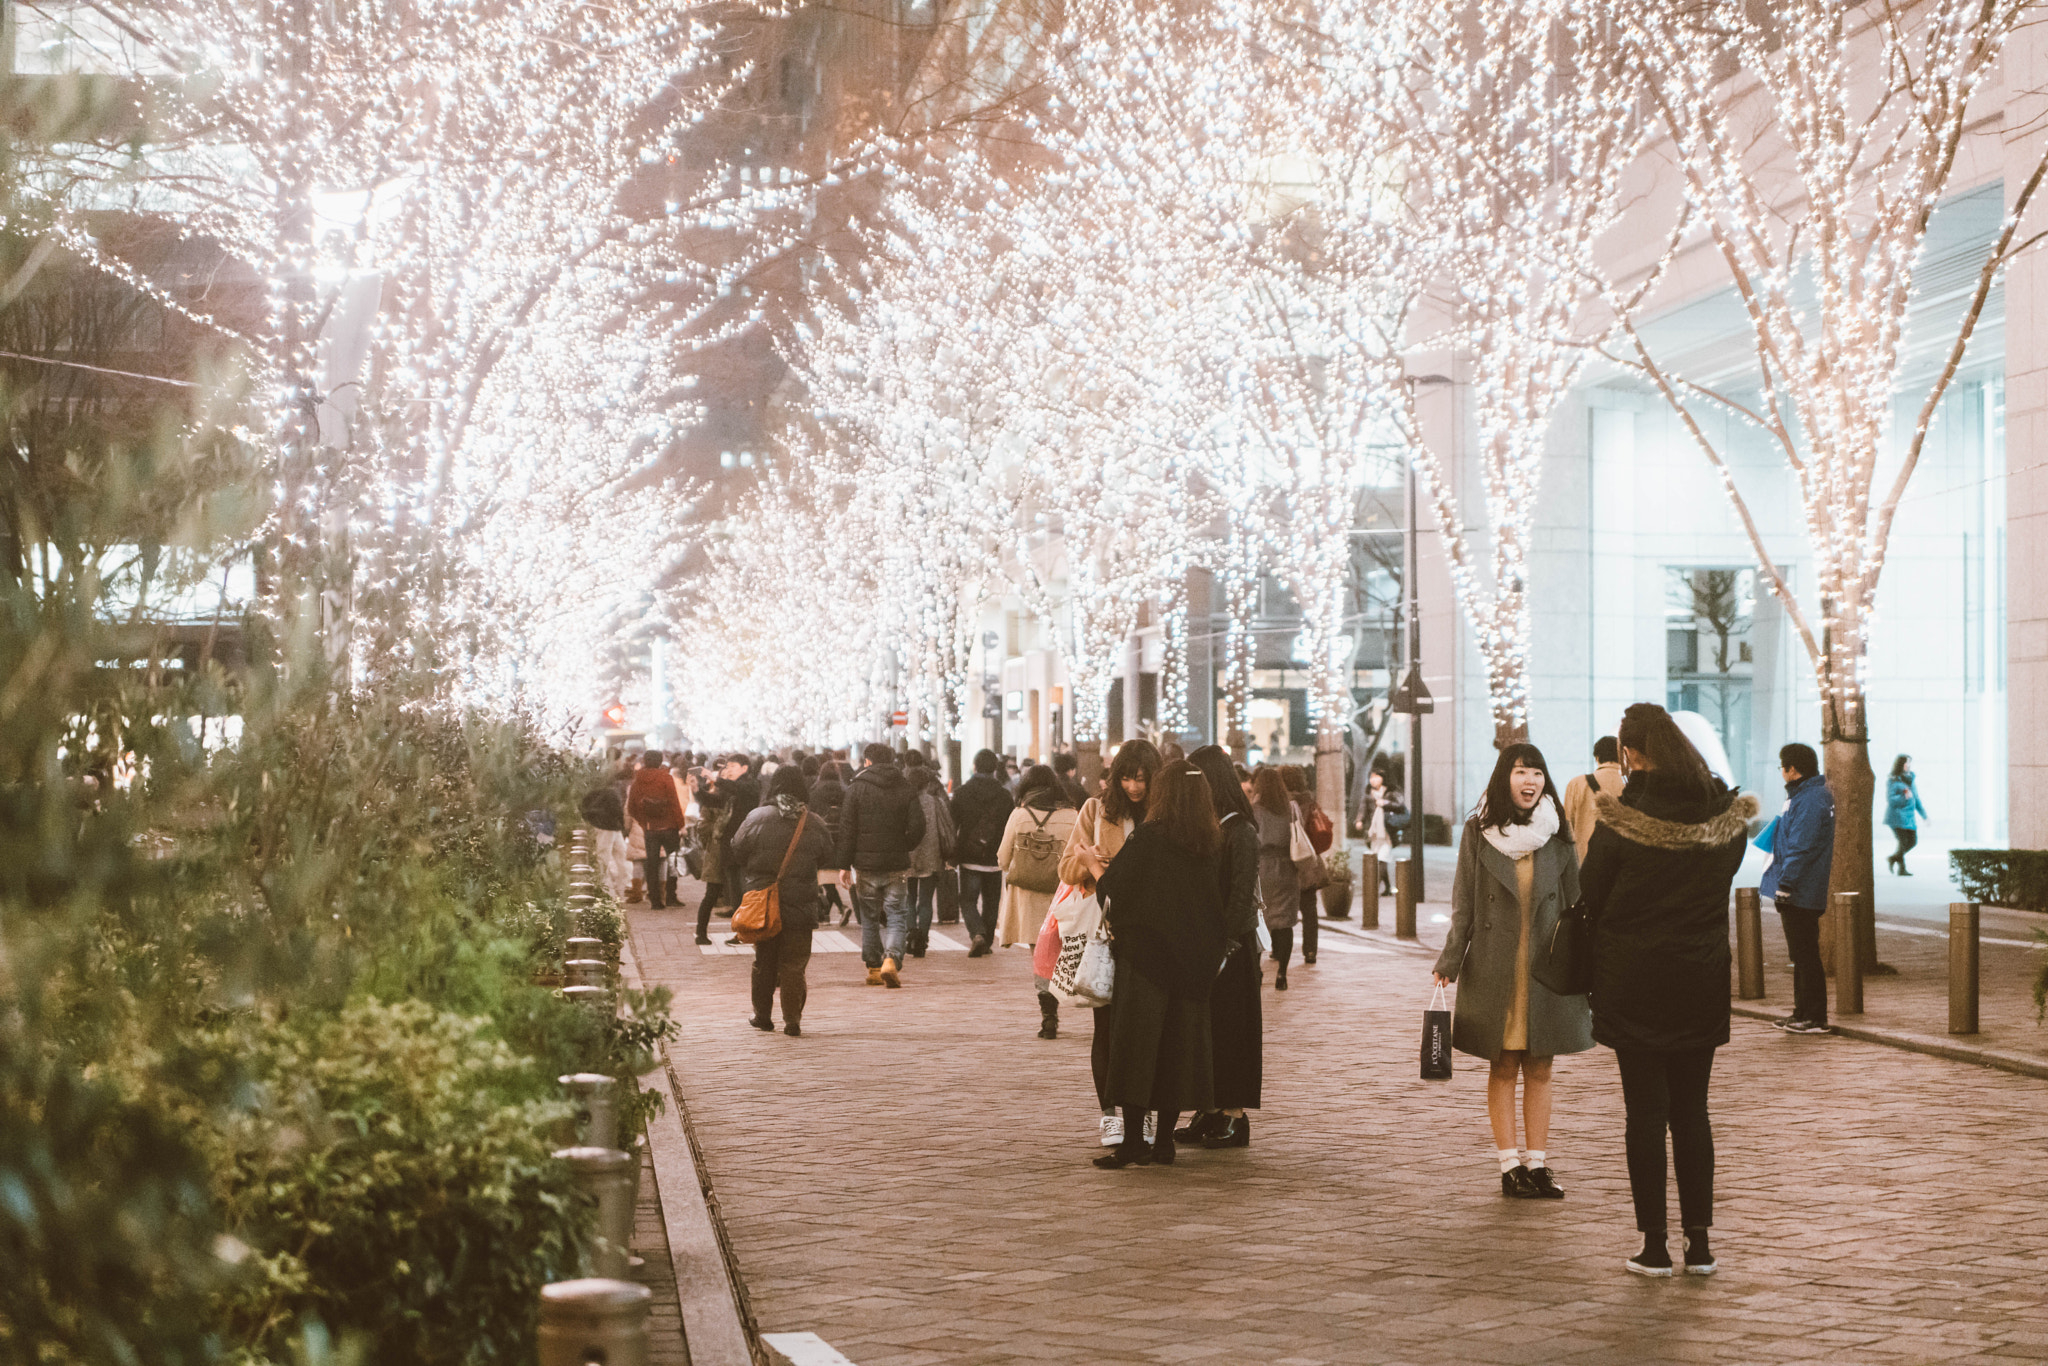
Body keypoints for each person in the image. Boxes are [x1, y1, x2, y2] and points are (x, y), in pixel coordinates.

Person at [1580, 702, 1756, 1278]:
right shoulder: (1722, 818)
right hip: (1698, 977)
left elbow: (1593, 893)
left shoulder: (1622, 819)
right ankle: (1699, 1244)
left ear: (1630, 754)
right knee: (1693, 1112)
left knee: (1645, 1114)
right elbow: (1725, 876)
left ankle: (1654, 1245)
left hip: (1633, 979)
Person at [1433, 744, 1594, 1200]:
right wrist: (1449, 960)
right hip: (1495, 966)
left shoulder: (1558, 835)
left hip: (1546, 969)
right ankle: (1509, 1166)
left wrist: (1589, 966)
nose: (1531, 781)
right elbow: (1463, 903)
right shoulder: (1478, 832)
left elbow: (1576, 906)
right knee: (1503, 1065)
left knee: (1541, 1066)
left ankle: (1538, 1164)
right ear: (1505, 777)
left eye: (1538, 773)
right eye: (1522, 771)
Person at [1082, 762, 1228, 1169]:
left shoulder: (1149, 837)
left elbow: (1116, 890)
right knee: (1177, 1050)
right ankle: (1164, 1142)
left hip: (1146, 959)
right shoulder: (1209, 841)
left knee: (1135, 1048)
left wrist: (1093, 865)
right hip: (1193, 961)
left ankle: (1133, 1143)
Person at [1058, 739, 1162, 1145]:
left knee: (1149, 1029)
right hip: (1107, 931)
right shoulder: (1096, 810)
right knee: (1107, 1028)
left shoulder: (1164, 815)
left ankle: (1146, 1113)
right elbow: (1067, 867)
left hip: (1152, 932)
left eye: (1141, 779)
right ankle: (1110, 1116)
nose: (1134, 787)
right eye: (1127, 778)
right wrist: (1090, 862)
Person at [1175, 744, 1263, 1150]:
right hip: (1205, 945)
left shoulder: (1241, 830)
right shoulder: (1208, 826)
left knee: (1232, 1034)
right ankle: (1208, 1111)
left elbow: (1241, 895)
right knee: (1205, 1034)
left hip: (1232, 949)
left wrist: (1225, 945)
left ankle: (1234, 1117)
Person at [731, 766, 836, 1037]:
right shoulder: (813, 822)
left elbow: (738, 850)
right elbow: (826, 855)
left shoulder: (757, 817)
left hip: (764, 903)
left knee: (764, 961)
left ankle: (762, 1016)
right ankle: (793, 1020)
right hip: (800, 903)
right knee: (794, 963)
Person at [997, 765, 1079, 1037]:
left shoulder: (1019, 815)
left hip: (1029, 900)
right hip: (1065, 897)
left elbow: (1002, 859)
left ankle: (1048, 1015)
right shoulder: (1071, 816)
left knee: (1042, 955)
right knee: (1066, 950)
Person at [1761, 743, 1836, 1036]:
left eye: (1783, 767)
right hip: (1800, 888)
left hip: (1801, 890)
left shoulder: (1810, 799)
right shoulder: (1806, 795)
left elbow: (1800, 847)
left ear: (1793, 770)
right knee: (1800, 954)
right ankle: (1801, 1013)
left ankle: (1814, 1016)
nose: (1781, 772)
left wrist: (1786, 885)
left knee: (1805, 954)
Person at [837, 743, 926, 988]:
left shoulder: (857, 788)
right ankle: (892, 958)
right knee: (897, 913)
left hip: (864, 864)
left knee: (869, 917)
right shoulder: (905, 787)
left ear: (867, 762)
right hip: (896, 863)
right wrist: (903, 844)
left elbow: (847, 829)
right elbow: (919, 826)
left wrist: (844, 864)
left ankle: (874, 968)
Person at [951, 749, 1015, 957]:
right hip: (995, 857)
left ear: (974, 766)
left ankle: (977, 933)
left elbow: (953, 824)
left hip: (969, 856)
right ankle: (986, 941)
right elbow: (1010, 827)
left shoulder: (962, 792)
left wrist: (952, 854)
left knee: (967, 900)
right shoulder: (1005, 795)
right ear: (996, 768)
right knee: (991, 901)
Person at [1250, 766, 1302, 989]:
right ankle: (1282, 973)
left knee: (1260, 921)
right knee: (1285, 922)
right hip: (1286, 868)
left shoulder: (1254, 810)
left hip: (1262, 869)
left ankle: (1258, 968)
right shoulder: (1290, 808)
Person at [903, 752, 956, 958]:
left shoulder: (902, 802)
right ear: (926, 784)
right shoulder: (935, 802)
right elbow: (947, 826)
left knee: (908, 898)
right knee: (925, 901)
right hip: (932, 855)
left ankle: (910, 932)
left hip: (907, 856)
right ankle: (922, 939)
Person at [625, 751, 687, 910]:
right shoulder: (666, 777)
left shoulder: (638, 780)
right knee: (671, 862)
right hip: (669, 826)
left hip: (650, 829)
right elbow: (674, 802)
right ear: (660, 762)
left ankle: (655, 901)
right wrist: (681, 825)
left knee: (651, 864)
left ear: (644, 761)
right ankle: (671, 896)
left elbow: (631, 806)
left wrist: (644, 821)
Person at [1282, 765, 1327, 966]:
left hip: (1289, 861)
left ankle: (1279, 950)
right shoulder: (1310, 801)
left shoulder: (1281, 803)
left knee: (1284, 908)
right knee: (1309, 909)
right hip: (1308, 860)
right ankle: (1310, 951)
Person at [1562, 736, 1626, 865]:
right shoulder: (1629, 785)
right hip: (1620, 864)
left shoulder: (1577, 784)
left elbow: (1566, 827)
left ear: (1597, 758)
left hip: (1583, 862)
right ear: (1621, 757)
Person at [809, 760, 852, 925]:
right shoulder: (844, 790)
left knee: (823, 876)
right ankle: (828, 913)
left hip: (821, 834)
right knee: (829, 875)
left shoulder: (815, 790)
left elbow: (811, 812)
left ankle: (840, 908)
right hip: (841, 836)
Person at [1355, 768, 1403, 894]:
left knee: (1382, 858)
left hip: (1388, 831)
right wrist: (1359, 821)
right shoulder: (1368, 794)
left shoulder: (1391, 793)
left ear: (1383, 778)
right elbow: (1362, 810)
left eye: (1376, 777)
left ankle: (1373, 888)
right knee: (1381, 859)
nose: (1373, 780)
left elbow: (1400, 806)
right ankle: (1387, 887)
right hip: (1374, 832)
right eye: (1371, 777)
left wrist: (1385, 803)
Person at [1884, 754, 1929, 876]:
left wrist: (1924, 815)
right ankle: (1901, 869)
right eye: (1906, 763)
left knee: (1912, 841)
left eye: (1909, 763)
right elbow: (1891, 800)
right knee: (1903, 842)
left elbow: (1916, 799)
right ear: (1900, 765)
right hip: (1896, 817)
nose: (1908, 765)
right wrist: (1903, 797)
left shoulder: (1910, 779)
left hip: (1909, 818)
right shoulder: (1893, 780)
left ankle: (1893, 858)